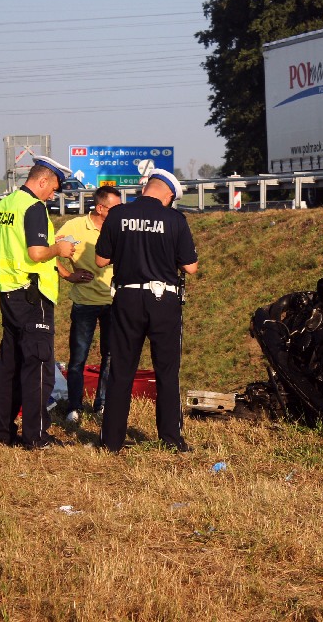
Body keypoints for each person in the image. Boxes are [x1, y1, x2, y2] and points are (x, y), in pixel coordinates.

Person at [94, 169, 199, 452]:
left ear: (145, 188)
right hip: (163, 301)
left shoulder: (116, 215)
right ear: (167, 194)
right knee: (167, 370)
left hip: (126, 298)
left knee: (121, 371)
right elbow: (191, 266)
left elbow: (101, 259)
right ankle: (171, 439)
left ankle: (111, 440)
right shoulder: (175, 219)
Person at [0, 156, 76, 449]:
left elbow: (15, 250)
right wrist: (60, 248)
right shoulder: (35, 207)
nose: (52, 195)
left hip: (9, 292)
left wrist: (65, 273)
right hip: (33, 297)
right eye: (52, 188)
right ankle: (36, 436)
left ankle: (2, 431)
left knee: (10, 367)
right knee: (38, 367)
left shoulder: (5, 205)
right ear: (41, 181)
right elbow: (37, 253)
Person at [56, 185, 123, 423]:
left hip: (114, 302)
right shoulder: (75, 226)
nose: (120, 211)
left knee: (111, 355)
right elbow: (49, 252)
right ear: (100, 208)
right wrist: (67, 275)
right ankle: (74, 407)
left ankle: (102, 405)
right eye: (115, 207)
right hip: (84, 302)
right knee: (78, 358)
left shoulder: (120, 227)